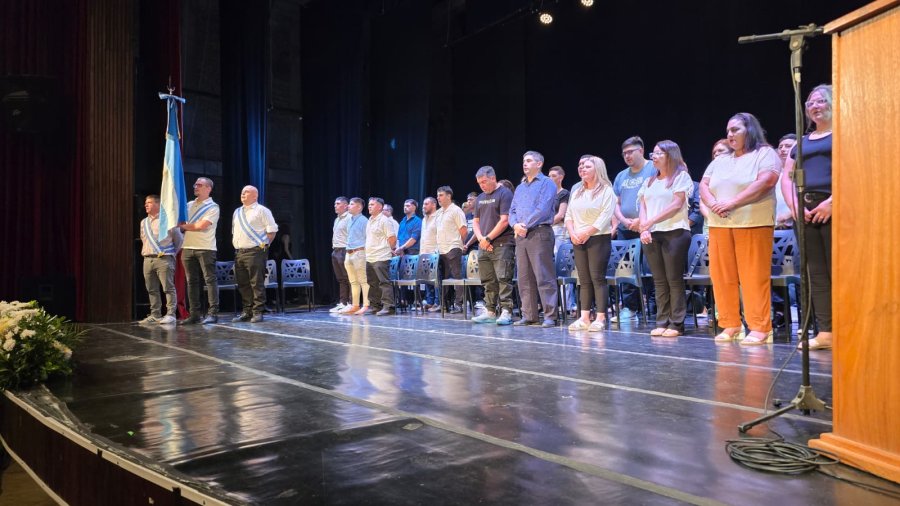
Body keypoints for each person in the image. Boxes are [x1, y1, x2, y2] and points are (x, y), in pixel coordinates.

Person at [700, 112, 782, 345]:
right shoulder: (720, 160)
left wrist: (732, 202)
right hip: (719, 224)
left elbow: (766, 182)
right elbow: (704, 185)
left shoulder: (765, 154)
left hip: (752, 222)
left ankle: (759, 326)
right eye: (728, 131)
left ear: (750, 130)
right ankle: (730, 324)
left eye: (735, 129)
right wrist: (713, 203)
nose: (730, 134)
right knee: (722, 276)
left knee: (753, 276)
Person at [782, 84, 834, 351]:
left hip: (836, 208)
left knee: (838, 270)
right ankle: (825, 331)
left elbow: (853, 169)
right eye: (811, 103)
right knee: (816, 274)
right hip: (805, 212)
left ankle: (849, 326)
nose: (815, 106)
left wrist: (833, 203)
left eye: (821, 101)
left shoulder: (842, 134)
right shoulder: (801, 143)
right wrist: (794, 206)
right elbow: (787, 178)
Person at [639, 141, 694, 337]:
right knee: (659, 280)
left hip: (675, 232)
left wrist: (650, 221)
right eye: (652, 153)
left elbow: (677, 204)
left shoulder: (681, 177)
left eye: (658, 153)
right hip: (652, 234)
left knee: (674, 279)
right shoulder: (650, 180)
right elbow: (643, 205)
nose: (653, 156)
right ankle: (661, 321)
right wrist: (644, 228)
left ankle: (676, 323)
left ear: (670, 155)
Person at [564, 157, 615, 332]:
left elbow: (605, 216)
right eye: (580, 166)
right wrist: (572, 233)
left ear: (597, 169)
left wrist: (586, 233)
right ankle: (584, 317)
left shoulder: (606, 190)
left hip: (598, 237)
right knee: (583, 280)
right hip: (577, 238)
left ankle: (600, 317)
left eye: (587, 166)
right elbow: (569, 214)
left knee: (597, 278)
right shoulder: (577, 190)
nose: (582, 169)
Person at [509, 150, 558, 327]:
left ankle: (550, 315)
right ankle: (529, 315)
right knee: (524, 277)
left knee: (543, 275)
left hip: (539, 232)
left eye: (529, 161)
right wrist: (515, 225)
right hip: (521, 235)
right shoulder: (521, 187)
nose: (525, 163)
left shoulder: (547, 183)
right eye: (524, 161)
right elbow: (512, 210)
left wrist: (524, 225)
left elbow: (543, 209)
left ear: (539, 164)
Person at [613, 136, 656, 321]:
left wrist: (641, 220)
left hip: (649, 226)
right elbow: (616, 202)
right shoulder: (622, 176)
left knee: (650, 268)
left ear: (641, 150)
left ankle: (654, 309)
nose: (627, 156)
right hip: (626, 228)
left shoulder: (653, 168)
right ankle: (630, 308)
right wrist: (624, 219)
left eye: (630, 152)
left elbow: (658, 196)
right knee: (626, 269)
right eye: (624, 154)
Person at [470, 166, 515, 325]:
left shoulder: (505, 194)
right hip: (483, 245)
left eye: (484, 182)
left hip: (502, 244)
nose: (481, 185)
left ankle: (506, 311)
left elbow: (505, 220)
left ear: (493, 178)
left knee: (503, 278)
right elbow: (475, 222)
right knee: (488, 280)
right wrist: (482, 239)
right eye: (479, 183)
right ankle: (490, 311)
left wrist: (488, 239)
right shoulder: (480, 197)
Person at [231, 185, 278, 323]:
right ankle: (247, 311)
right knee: (243, 284)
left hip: (255, 252)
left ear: (255, 196)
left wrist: (263, 246)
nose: (243, 194)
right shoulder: (237, 211)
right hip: (239, 252)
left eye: (246, 192)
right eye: (242, 192)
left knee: (256, 283)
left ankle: (258, 311)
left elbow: (272, 231)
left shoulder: (262, 210)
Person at [178, 177, 220, 325]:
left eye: (200, 185)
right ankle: (194, 314)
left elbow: (200, 226)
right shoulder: (189, 205)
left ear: (208, 188)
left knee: (209, 281)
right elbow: (182, 222)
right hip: (188, 247)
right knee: (191, 282)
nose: (195, 186)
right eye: (195, 184)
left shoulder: (213, 207)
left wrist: (183, 226)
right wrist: (184, 224)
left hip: (205, 248)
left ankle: (212, 313)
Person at [138, 195, 183, 325]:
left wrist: (171, 253)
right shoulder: (143, 222)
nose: (146, 205)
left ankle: (170, 314)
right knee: (151, 288)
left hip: (164, 259)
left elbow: (179, 240)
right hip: (148, 259)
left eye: (149, 202)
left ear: (157, 204)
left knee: (168, 287)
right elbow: (143, 239)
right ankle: (155, 314)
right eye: (146, 202)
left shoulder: (167, 221)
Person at [431, 186, 468, 314]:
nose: (438, 198)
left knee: (457, 277)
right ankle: (445, 304)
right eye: (437, 195)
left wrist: (460, 244)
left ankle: (459, 304)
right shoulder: (439, 212)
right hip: (441, 249)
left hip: (453, 247)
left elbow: (463, 230)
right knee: (443, 278)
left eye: (441, 195)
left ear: (448, 196)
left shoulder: (456, 210)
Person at [365, 197, 397, 315]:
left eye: (372, 204)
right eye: (369, 204)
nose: (369, 206)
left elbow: (392, 238)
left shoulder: (384, 220)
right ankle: (375, 306)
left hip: (381, 256)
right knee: (372, 283)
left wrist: (390, 250)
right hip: (370, 256)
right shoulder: (370, 220)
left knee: (383, 282)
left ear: (379, 207)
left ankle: (388, 306)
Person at [342, 197, 369, 315]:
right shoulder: (350, 220)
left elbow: (368, 238)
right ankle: (355, 305)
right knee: (353, 281)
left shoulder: (364, 220)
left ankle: (366, 305)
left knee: (363, 280)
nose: (348, 206)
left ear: (359, 207)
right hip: (349, 252)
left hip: (359, 252)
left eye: (351, 204)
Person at [330, 197, 352, 313]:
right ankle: (343, 303)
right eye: (335, 203)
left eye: (338, 203)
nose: (335, 206)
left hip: (345, 250)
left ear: (345, 205)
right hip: (336, 250)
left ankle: (351, 303)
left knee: (348, 277)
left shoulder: (349, 218)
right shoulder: (337, 219)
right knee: (341, 278)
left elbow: (352, 235)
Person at [775, 134, 798, 229]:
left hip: (794, 222)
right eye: (780, 147)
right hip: (775, 225)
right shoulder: (775, 173)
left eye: (788, 146)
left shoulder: (801, 172)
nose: (783, 149)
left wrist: (788, 215)